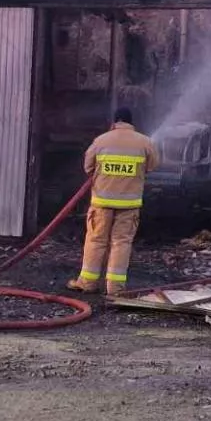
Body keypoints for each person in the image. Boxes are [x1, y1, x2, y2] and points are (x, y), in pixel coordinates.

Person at [69, 107, 159, 297]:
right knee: (121, 243)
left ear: (114, 122)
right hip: (129, 206)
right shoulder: (145, 142)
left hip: (101, 204)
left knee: (95, 240)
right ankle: (115, 289)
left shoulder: (101, 141)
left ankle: (87, 282)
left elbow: (88, 167)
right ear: (131, 123)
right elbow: (152, 166)